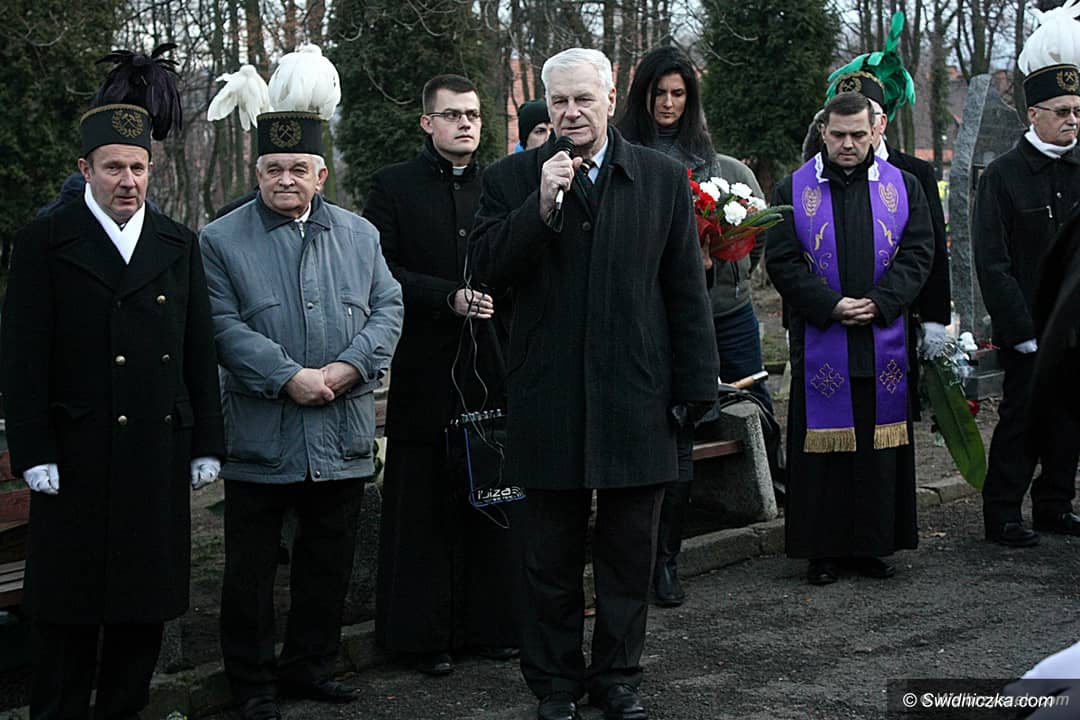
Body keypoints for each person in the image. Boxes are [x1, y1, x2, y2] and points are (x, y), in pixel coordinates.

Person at [470, 47, 719, 720]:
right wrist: (539, 206)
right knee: (547, 556)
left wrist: (696, 388)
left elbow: (684, 291)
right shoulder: (510, 179)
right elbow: (485, 268)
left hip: (637, 394)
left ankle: (617, 679)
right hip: (547, 396)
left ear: (611, 99)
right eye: (559, 101)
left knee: (628, 555)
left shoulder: (661, 178)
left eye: (584, 98)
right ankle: (555, 684)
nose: (572, 112)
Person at [0, 45, 225, 719]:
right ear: (85, 170)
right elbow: (23, 355)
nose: (128, 181)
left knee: (140, 614)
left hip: (155, 454)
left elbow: (197, 347)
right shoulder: (45, 241)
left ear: (151, 169)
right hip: (75, 457)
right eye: (113, 167)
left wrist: (206, 441)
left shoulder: (177, 243)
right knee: (66, 617)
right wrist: (34, 450)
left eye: (138, 167)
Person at [200, 104, 404, 718]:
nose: (285, 180)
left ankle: (310, 665)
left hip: (339, 429)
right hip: (261, 435)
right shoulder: (219, 240)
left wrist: (348, 368)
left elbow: (388, 308)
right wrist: (287, 376)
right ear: (257, 173)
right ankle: (252, 682)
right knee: (251, 571)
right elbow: (219, 325)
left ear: (320, 175)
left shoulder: (360, 235)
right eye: (273, 169)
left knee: (327, 560)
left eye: (298, 169)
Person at [363, 74, 520, 676]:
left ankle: (492, 625)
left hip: (491, 360)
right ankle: (423, 638)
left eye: (473, 115)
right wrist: (443, 296)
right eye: (452, 115)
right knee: (422, 504)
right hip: (425, 364)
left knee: (492, 493)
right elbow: (380, 268)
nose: (465, 124)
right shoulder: (393, 186)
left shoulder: (500, 184)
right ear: (427, 123)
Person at [615, 44, 772, 608]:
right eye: (658, 93)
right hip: (641, 320)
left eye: (678, 93)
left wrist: (716, 259)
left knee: (691, 430)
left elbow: (753, 240)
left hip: (712, 313)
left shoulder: (720, 166)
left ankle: (667, 558)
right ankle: (633, 556)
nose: (668, 103)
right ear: (641, 95)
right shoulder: (622, 156)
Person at [765, 91, 934, 586]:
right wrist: (830, 305)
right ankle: (822, 551)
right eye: (838, 135)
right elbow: (782, 260)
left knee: (877, 455)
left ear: (875, 131)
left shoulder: (903, 186)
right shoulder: (793, 188)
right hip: (823, 339)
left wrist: (881, 301)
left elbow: (919, 253)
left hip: (883, 339)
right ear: (823, 131)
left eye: (859, 135)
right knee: (824, 456)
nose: (848, 144)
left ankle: (872, 545)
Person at [973, 53, 1080, 547]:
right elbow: (993, 261)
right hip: (1030, 329)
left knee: (1069, 421)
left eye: (1078, 111)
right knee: (1022, 421)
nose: (1072, 120)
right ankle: (1002, 514)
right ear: (1034, 114)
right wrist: (1020, 330)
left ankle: (1055, 505)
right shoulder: (1003, 175)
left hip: (1075, 326)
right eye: (1062, 111)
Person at [825, 10, 952, 369]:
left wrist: (935, 317)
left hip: (899, 315)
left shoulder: (914, 173)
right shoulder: (815, 174)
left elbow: (929, 248)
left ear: (880, 120)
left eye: (865, 114)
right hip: (830, 319)